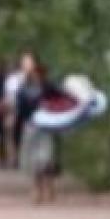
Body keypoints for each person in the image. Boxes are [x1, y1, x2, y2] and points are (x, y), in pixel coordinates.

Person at [14, 56, 65, 203]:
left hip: (47, 124)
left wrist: (54, 110)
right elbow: (20, 108)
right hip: (31, 124)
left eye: (29, 63)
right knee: (34, 160)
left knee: (46, 158)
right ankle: (36, 188)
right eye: (24, 64)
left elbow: (60, 98)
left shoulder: (47, 84)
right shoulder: (22, 87)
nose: (27, 66)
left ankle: (49, 184)